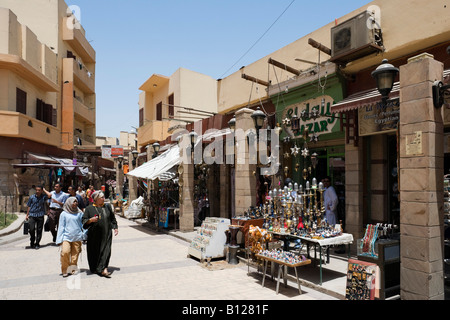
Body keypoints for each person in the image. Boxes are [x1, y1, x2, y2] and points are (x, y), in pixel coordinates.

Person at [82, 191, 118, 277]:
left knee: (106, 250)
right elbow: (83, 221)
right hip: (94, 236)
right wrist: (90, 220)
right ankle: (96, 268)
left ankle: (103, 269)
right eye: (101, 197)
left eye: (103, 197)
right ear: (96, 199)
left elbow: (112, 218)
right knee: (94, 252)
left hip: (107, 234)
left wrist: (115, 227)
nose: (103, 199)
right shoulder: (89, 209)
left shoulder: (107, 207)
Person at [55, 197, 86, 277]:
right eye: (74, 202)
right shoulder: (64, 214)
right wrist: (59, 240)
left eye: (76, 202)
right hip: (66, 237)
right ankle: (65, 269)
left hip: (77, 237)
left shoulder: (79, 213)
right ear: (69, 203)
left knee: (75, 255)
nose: (75, 203)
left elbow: (83, 225)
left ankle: (72, 269)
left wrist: (84, 235)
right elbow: (61, 227)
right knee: (65, 252)